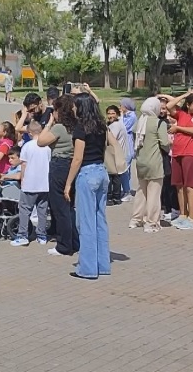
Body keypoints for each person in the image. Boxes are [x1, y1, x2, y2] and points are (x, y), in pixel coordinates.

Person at [65, 93, 111, 280]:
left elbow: (77, 158)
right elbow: (106, 147)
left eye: (75, 106)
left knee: (86, 222)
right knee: (100, 220)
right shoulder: (101, 126)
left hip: (87, 173)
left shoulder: (80, 128)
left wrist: (68, 183)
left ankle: (88, 268)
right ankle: (103, 264)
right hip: (101, 171)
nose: (73, 109)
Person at [38, 93, 80, 257]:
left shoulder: (59, 127)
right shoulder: (76, 126)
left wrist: (49, 124)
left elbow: (41, 141)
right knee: (69, 207)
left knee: (59, 207)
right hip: (71, 166)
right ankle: (74, 241)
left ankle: (64, 245)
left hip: (59, 165)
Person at [163, 91, 193, 230]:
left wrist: (177, 128)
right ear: (188, 105)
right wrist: (185, 94)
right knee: (179, 185)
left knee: (190, 186)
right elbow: (169, 105)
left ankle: (192, 218)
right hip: (177, 153)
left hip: (191, 153)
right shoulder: (181, 114)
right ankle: (183, 214)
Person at [130, 97, 171, 233]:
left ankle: (136, 219)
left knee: (141, 191)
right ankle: (151, 222)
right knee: (154, 193)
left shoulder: (139, 122)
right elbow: (165, 143)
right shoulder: (159, 123)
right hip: (154, 161)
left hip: (141, 161)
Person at [12, 121, 51, 246]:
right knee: (42, 210)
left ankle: (22, 234)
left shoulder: (27, 146)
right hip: (44, 183)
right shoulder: (47, 147)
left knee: (24, 209)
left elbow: (24, 164)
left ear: (29, 132)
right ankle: (42, 235)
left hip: (30, 183)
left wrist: (22, 178)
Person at [106, 105, 132, 205]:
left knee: (114, 176)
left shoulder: (116, 125)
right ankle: (123, 193)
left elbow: (111, 139)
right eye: (109, 113)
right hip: (117, 153)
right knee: (120, 175)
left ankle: (115, 196)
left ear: (117, 114)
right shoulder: (115, 124)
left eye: (113, 113)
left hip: (116, 154)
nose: (110, 115)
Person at [120, 98, 137, 200]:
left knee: (124, 169)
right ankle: (127, 189)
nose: (120, 107)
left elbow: (123, 127)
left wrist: (121, 116)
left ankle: (127, 191)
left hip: (129, 144)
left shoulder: (132, 116)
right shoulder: (127, 116)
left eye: (121, 105)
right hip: (124, 143)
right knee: (126, 169)